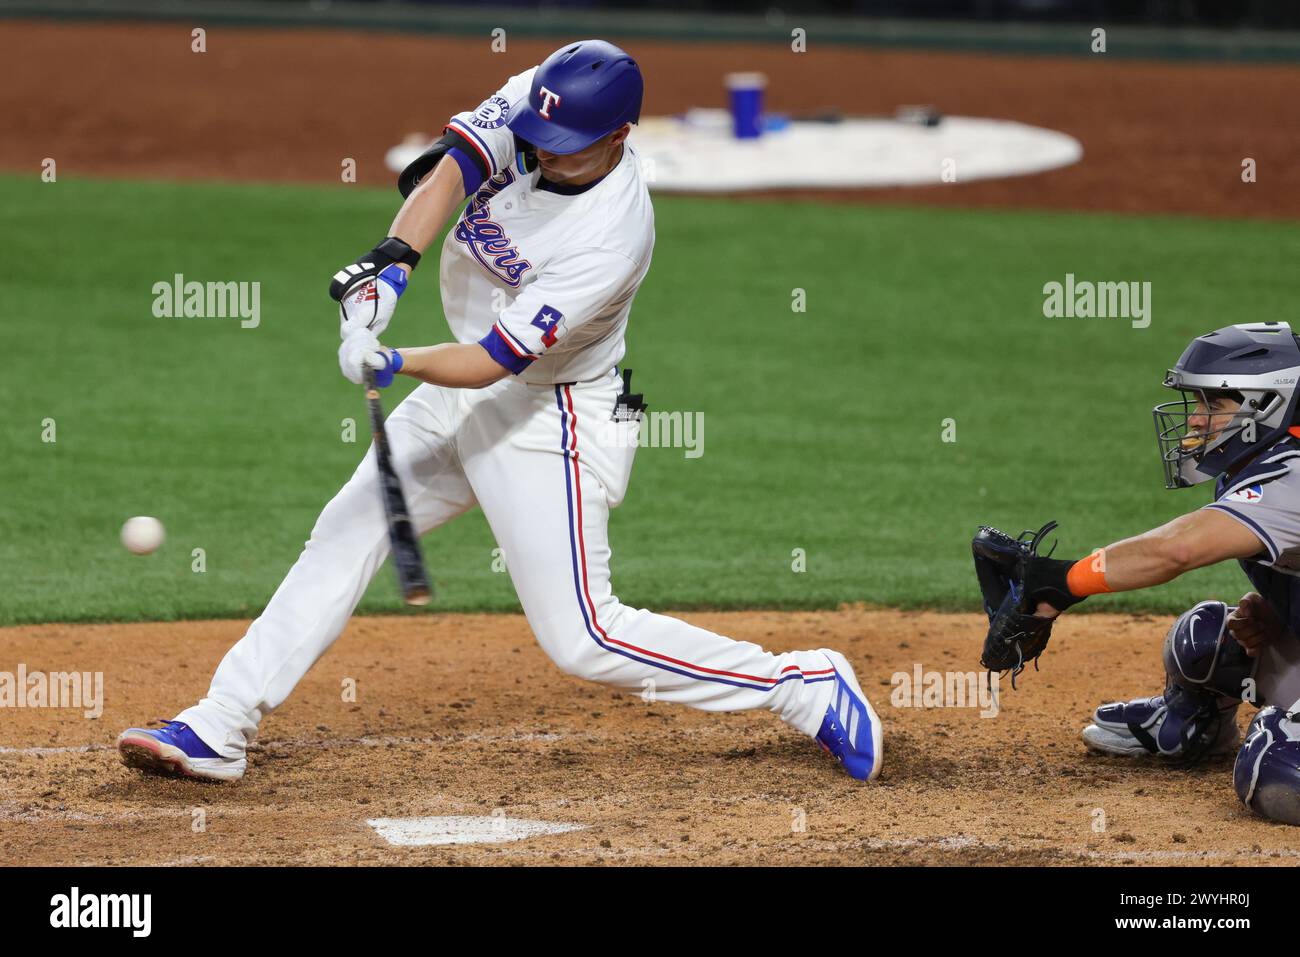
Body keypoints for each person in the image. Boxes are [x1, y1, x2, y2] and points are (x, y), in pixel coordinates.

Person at [115, 39, 882, 785]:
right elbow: (452, 170)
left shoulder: (611, 236)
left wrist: (394, 359)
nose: (545, 153)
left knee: (585, 637)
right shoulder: (544, 99)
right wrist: (392, 265)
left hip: (549, 415)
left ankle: (803, 684)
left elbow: (493, 359)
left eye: (567, 146)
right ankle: (221, 723)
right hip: (464, 385)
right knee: (349, 525)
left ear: (618, 136)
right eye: (541, 137)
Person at [977, 322, 1300, 824]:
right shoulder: (1270, 467)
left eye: (1213, 404)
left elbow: (1176, 551)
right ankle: (1197, 727)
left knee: (1276, 765)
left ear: (1268, 404)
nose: (1195, 421)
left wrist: (1061, 584)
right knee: (1208, 643)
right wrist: (1283, 612)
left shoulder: (1293, 476)